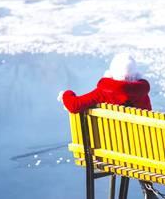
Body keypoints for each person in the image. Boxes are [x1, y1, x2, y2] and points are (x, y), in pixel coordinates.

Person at [58, 53, 157, 199]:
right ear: (135, 75)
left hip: (109, 152)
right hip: (139, 155)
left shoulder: (104, 91)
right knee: (138, 144)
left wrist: (66, 94)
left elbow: (74, 105)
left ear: (112, 73)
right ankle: (148, 189)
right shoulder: (142, 94)